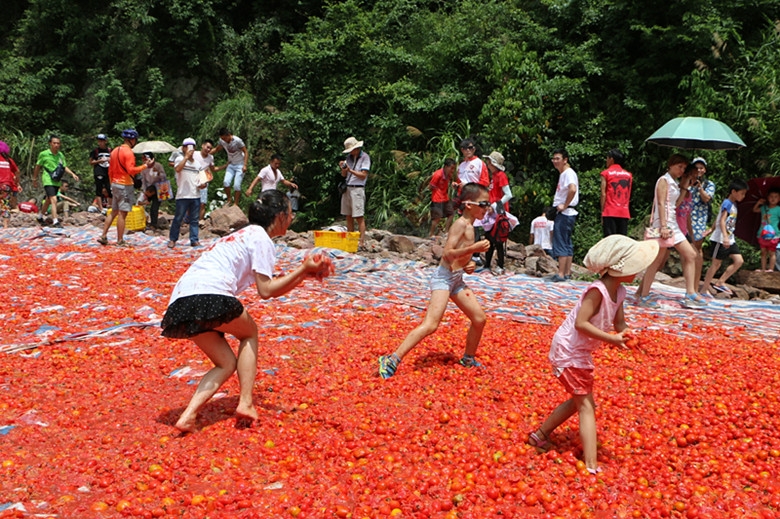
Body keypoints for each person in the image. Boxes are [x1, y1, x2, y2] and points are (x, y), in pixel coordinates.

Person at [160, 190, 334, 432]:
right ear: (281, 216)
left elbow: (270, 287)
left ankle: (188, 416)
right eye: (291, 212)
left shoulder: (242, 235)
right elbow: (266, 290)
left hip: (181, 300)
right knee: (249, 333)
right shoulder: (261, 238)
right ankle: (246, 402)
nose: (292, 217)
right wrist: (304, 269)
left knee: (225, 363)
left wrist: (304, 273)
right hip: (211, 294)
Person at [527, 235, 659, 474]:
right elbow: (580, 323)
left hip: (580, 351)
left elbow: (620, 323)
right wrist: (610, 340)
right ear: (619, 269)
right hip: (568, 350)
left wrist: (628, 336)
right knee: (587, 405)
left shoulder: (620, 292)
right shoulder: (596, 291)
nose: (638, 271)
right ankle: (591, 466)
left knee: (580, 401)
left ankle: (539, 435)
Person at [377, 183, 491, 379]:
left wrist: (468, 265)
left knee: (479, 319)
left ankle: (468, 358)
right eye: (483, 204)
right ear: (469, 205)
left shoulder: (472, 227)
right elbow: (447, 254)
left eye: (488, 204)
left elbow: (459, 259)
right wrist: (473, 250)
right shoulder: (460, 225)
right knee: (431, 324)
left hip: (456, 278)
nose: (486, 208)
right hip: (444, 279)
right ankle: (392, 358)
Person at [636, 154, 706, 308]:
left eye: (683, 168)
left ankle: (690, 292)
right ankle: (644, 295)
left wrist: (685, 186)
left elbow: (676, 203)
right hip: (664, 224)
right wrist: (663, 226)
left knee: (691, 254)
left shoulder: (674, 183)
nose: (681, 170)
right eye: (679, 167)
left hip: (673, 223)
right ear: (671, 165)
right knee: (656, 262)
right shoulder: (664, 180)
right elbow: (661, 204)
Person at [97, 129, 148, 246]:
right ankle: (120, 240)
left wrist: (111, 183)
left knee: (113, 211)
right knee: (122, 213)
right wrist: (144, 166)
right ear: (132, 140)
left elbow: (110, 170)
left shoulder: (114, 151)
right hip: (125, 184)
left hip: (114, 183)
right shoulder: (129, 152)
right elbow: (131, 170)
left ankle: (104, 235)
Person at [700, 180, 748, 295]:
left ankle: (720, 282)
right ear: (734, 191)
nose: (743, 196)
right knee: (716, 264)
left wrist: (711, 229)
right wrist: (724, 236)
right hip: (720, 239)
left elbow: (719, 218)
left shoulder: (734, 204)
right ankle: (704, 289)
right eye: (742, 193)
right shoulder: (727, 203)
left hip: (730, 238)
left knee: (739, 261)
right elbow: (721, 220)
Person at [33, 135, 80, 228]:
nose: (56, 145)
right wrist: (34, 179)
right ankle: (55, 221)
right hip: (47, 179)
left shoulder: (60, 155)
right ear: (50, 143)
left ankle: (40, 216)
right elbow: (38, 166)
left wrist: (72, 174)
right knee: (54, 199)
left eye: (58, 143)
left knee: (48, 200)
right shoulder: (44, 154)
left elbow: (64, 166)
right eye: (54, 143)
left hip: (56, 180)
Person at [456, 138, 489, 264]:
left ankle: (475, 255)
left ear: (474, 149)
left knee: (474, 226)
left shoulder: (480, 163)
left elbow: (485, 182)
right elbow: (460, 182)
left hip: (475, 197)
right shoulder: (461, 165)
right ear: (462, 150)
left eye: (471, 148)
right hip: (463, 198)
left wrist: (469, 185)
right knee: (463, 224)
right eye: (465, 148)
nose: (468, 151)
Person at [168, 138, 207, 248]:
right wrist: (186, 157)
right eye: (188, 147)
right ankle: (173, 239)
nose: (191, 150)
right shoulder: (179, 159)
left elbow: (202, 178)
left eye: (193, 147)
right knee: (178, 218)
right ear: (184, 148)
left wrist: (203, 184)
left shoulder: (197, 164)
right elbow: (178, 169)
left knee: (194, 219)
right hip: (183, 195)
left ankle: (194, 239)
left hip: (195, 195)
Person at [548, 148, 579, 282]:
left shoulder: (568, 173)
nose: (555, 161)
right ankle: (566, 272)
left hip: (565, 212)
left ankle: (561, 273)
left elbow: (572, 189)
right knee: (566, 242)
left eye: (558, 158)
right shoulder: (564, 174)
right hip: (567, 212)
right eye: (553, 159)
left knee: (560, 241)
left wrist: (564, 205)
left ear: (565, 160)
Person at [482, 151, 514, 275]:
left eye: (489, 162)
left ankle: (500, 265)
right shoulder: (494, 176)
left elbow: (508, 194)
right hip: (492, 209)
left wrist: (495, 206)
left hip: (499, 210)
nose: (487, 164)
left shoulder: (501, 176)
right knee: (489, 237)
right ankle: (487, 265)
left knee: (498, 239)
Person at [689, 157, 716, 290]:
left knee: (697, 247)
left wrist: (699, 188)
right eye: (696, 167)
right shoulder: (686, 182)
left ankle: (695, 281)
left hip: (699, 219)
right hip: (686, 217)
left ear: (705, 170)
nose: (699, 170)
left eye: (701, 167)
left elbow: (707, 199)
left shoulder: (708, 184)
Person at [339, 137, 370, 249]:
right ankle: (350, 239)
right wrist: (343, 168)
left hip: (357, 188)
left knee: (359, 216)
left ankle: (361, 241)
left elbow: (363, 175)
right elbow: (344, 175)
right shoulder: (349, 158)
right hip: (348, 187)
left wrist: (350, 170)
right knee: (348, 215)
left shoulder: (365, 157)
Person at [211, 128, 249, 207]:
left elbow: (245, 152)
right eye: (222, 139)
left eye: (225, 138)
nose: (224, 140)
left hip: (240, 164)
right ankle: (229, 199)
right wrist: (206, 154)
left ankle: (236, 203)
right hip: (231, 164)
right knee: (226, 182)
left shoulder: (237, 141)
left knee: (236, 185)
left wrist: (245, 165)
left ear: (228, 135)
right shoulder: (222, 141)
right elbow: (217, 149)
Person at [600, 149, 632, 237]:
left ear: (611, 159)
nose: (606, 160)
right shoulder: (628, 175)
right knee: (621, 241)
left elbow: (603, 193)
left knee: (610, 240)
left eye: (607, 158)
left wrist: (602, 212)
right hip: (624, 211)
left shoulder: (606, 173)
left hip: (610, 211)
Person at [753, 187, 780, 272]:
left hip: (774, 234)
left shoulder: (778, 209)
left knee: (772, 252)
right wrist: (758, 203)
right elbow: (755, 210)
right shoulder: (764, 208)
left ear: (779, 199)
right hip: (762, 233)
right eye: (771, 196)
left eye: (776, 197)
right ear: (767, 198)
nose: (773, 199)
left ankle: (771, 269)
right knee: (763, 252)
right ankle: (763, 269)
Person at [137, 152, 167, 229]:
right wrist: (144, 190)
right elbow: (143, 180)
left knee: (154, 207)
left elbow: (164, 178)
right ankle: (143, 221)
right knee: (141, 204)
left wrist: (158, 173)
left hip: (158, 188)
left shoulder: (158, 165)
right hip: (149, 188)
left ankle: (154, 223)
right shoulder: (143, 168)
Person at [428, 158, 456, 238]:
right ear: (446, 167)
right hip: (437, 198)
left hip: (445, 197)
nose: (452, 170)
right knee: (437, 217)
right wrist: (437, 191)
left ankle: (446, 232)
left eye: (453, 168)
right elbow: (430, 186)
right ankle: (431, 234)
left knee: (451, 214)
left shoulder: (449, 174)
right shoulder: (438, 174)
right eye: (451, 168)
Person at [195, 140, 220, 221]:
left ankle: (200, 221)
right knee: (190, 201)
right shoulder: (194, 154)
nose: (208, 149)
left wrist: (225, 166)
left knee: (202, 203)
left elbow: (213, 169)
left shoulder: (211, 157)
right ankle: (187, 221)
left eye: (210, 148)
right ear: (203, 145)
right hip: (193, 179)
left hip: (204, 180)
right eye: (207, 147)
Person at [89, 134, 112, 213]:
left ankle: (110, 206)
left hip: (108, 171)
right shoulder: (95, 151)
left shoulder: (110, 150)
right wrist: (99, 161)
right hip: (99, 171)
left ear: (105, 141)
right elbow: (91, 162)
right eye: (99, 141)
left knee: (109, 189)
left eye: (102, 141)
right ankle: (101, 208)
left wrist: (110, 159)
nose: (100, 142)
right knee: (99, 189)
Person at [0, 141, 20, 228]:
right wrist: (17, 182)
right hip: (6, 185)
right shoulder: (9, 160)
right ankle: (5, 226)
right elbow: (17, 171)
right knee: (5, 205)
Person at [676, 164, 697, 239]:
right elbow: (675, 205)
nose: (694, 179)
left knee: (693, 251)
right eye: (692, 176)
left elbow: (687, 216)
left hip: (683, 231)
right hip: (674, 230)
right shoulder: (676, 190)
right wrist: (685, 185)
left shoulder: (689, 194)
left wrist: (691, 234)